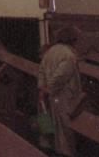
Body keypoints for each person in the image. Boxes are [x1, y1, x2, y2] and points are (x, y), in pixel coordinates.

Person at [37, 27, 83, 156]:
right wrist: (49, 89)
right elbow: (61, 76)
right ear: (72, 39)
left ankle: (49, 150)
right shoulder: (69, 55)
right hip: (62, 95)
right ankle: (65, 153)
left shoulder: (51, 51)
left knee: (49, 123)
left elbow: (41, 71)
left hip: (47, 93)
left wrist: (42, 88)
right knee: (64, 127)